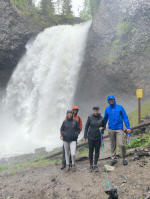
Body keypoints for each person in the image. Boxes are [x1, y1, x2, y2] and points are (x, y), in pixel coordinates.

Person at [104, 95, 131, 166]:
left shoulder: (120, 107)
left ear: (114, 100)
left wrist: (128, 127)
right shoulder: (107, 109)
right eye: (109, 100)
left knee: (121, 144)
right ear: (108, 101)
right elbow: (105, 119)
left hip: (119, 129)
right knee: (112, 145)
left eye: (112, 100)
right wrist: (103, 127)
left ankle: (124, 158)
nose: (111, 101)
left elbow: (125, 117)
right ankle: (113, 159)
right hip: (111, 129)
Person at [84, 107, 105, 172]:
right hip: (91, 137)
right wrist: (85, 135)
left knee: (97, 151)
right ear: (93, 111)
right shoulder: (90, 117)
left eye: (97, 110)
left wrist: (102, 129)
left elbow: (104, 126)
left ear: (98, 110)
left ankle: (95, 165)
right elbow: (86, 127)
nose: (96, 111)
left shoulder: (101, 118)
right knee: (91, 151)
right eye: (94, 110)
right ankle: (91, 165)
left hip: (98, 137)